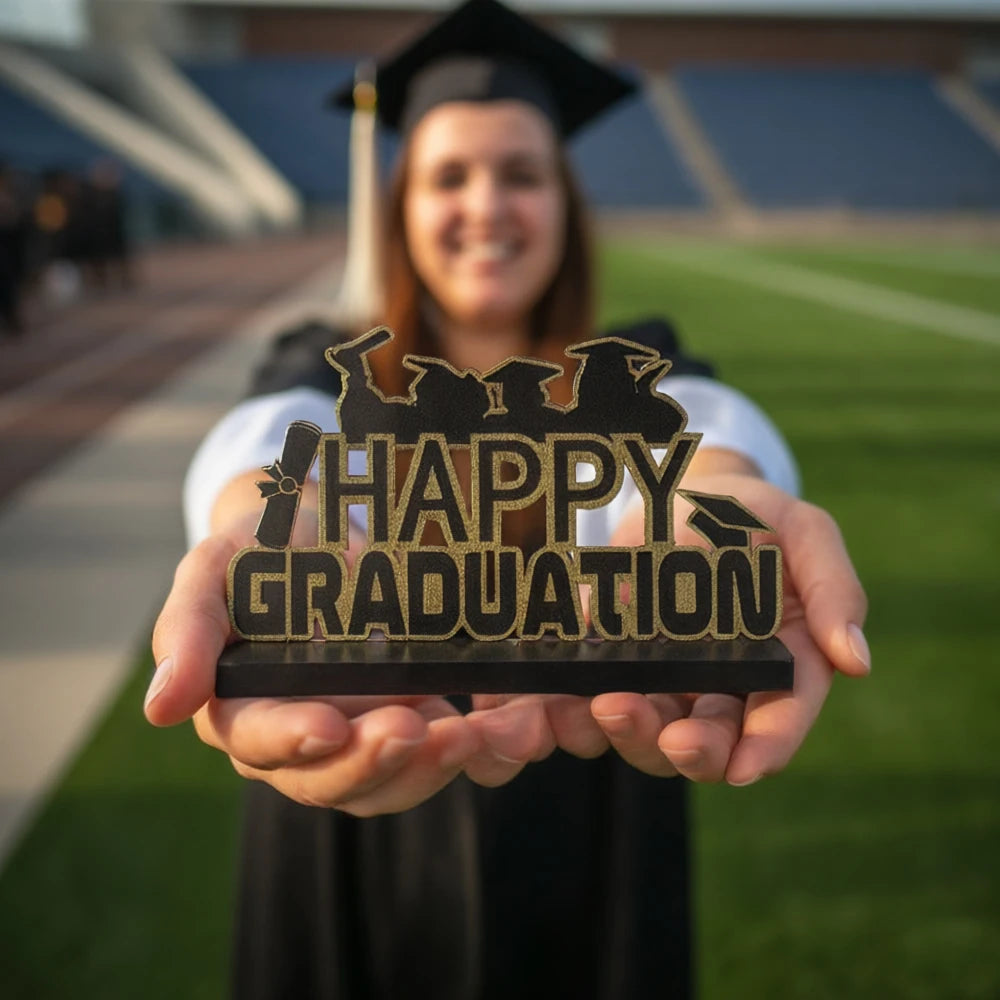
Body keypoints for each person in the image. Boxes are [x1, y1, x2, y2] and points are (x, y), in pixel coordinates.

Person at [146, 2, 869, 997]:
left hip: (595, 776)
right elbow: (273, 447)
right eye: (449, 175)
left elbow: (701, 437)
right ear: (399, 207)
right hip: (351, 770)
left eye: (521, 174)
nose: (486, 205)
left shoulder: (633, 370)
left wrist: (718, 499)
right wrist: (265, 524)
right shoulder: (324, 366)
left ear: (565, 207)